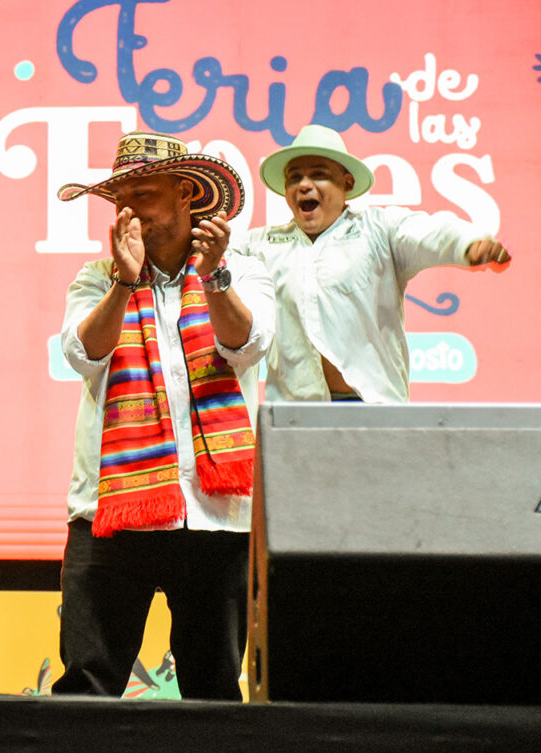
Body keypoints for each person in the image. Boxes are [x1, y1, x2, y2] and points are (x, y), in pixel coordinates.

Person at [51, 132, 275, 699]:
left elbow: (246, 345)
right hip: (111, 513)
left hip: (213, 515)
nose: (128, 212)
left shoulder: (243, 271)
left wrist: (214, 275)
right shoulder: (98, 277)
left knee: (213, 690)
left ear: (186, 194)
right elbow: (82, 353)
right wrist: (125, 283)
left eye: (143, 195)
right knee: (87, 685)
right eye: (119, 200)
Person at [233, 124, 511, 402]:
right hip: (292, 413)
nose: (304, 185)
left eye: (318, 174)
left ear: (347, 183)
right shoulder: (261, 245)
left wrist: (470, 243)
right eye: (294, 177)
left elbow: (434, 231)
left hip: (375, 407)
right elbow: (218, 256)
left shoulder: (379, 230)